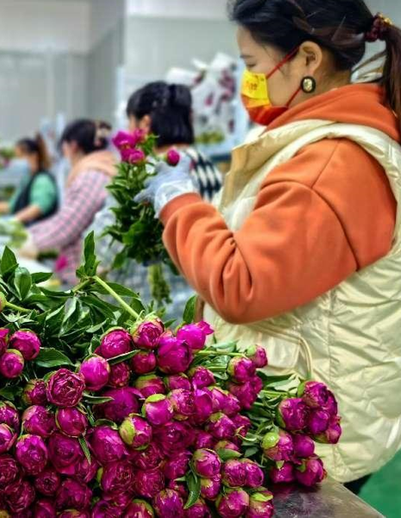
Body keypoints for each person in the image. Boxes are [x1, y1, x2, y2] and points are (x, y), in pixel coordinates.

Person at [138, 0, 401, 490]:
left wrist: (179, 204)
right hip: (303, 413)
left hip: (310, 437)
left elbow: (244, 284)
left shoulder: (333, 161)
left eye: (254, 65)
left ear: (306, 59)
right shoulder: (318, 145)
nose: (250, 82)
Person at [91, 82, 222, 320]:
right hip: (200, 308)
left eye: (130, 122)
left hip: (150, 315)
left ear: (145, 124)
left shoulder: (150, 172)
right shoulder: (208, 166)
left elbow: (101, 246)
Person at [19, 119, 116, 285]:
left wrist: (31, 242)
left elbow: (68, 224)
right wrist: (30, 235)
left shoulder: (92, 176)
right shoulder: (96, 170)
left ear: (73, 145)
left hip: (87, 275)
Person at [0, 134, 58, 226]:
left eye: (19, 157)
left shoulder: (43, 180)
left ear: (33, 156)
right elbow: (12, 205)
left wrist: (14, 220)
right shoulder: (28, 178)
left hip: (36, 231)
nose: (16, 161)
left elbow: (38, 207)